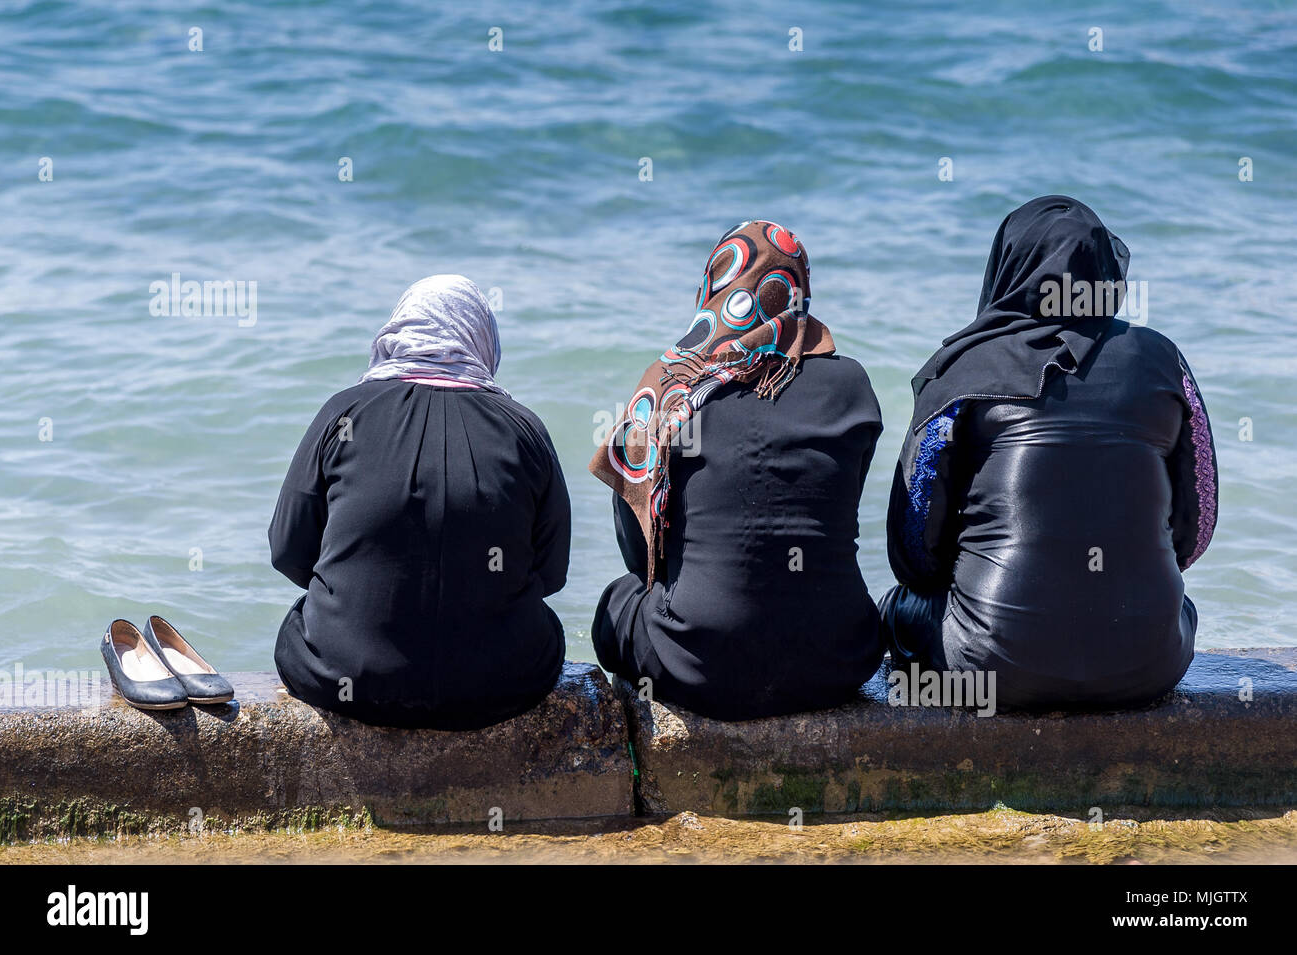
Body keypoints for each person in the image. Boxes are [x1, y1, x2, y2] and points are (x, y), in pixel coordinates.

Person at [883, 196, 1217, 708]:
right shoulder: (1163, 359)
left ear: (1008, 268)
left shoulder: (961, 370)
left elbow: (913, 552)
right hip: (1151, 663)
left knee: (898, 608)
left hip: (986, 673)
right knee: (1181, 606)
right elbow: (1199, 525)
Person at [589, 220, 886, 721]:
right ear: (798, 291)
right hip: (840, 658)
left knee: (615, 603)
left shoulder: (670, 386)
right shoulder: (852, 386)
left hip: (698, 666)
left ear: (714, 286)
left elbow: (640, 554)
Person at [269, 275, 571, 729]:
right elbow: (550, 574)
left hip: (342, 675)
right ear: (482, 338)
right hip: (504, 683)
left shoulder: (343, 413)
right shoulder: (524, 429)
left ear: (398, 332)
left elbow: (288, 551)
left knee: (300, 623)